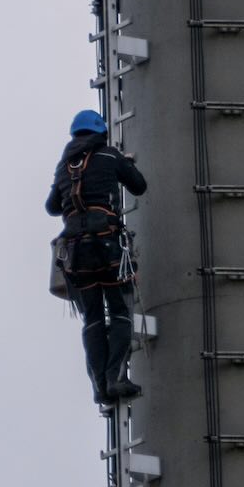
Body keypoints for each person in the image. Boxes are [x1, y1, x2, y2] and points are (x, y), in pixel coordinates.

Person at [47, 109, 148, 405]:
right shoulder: (108, 156)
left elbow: (53, 206)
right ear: (101, 132)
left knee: (92, 319)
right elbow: (139, 186)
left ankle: (100, 387)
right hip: (108, 247)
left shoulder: (65, 165)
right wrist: (125, 164)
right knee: (119, 312)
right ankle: (117, 378)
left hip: (76, 254)